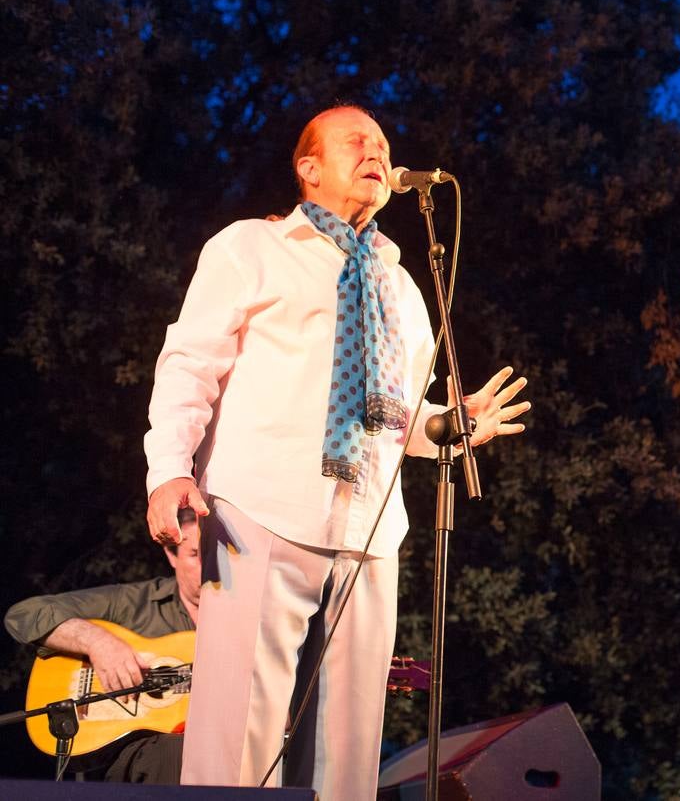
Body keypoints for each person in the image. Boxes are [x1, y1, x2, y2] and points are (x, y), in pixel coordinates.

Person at [143, 105, 528, 799]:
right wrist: (168, 470)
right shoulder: (250, 249)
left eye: (382, 143)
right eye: (356, 140)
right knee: (238, 739)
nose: (375, 150)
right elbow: (189, 364)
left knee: (351, 752)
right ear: (309, 168)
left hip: (370, 531)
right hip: (259, 512)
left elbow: (398, 418)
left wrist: (449, 424)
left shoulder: (404, 285)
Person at [4, 508, 202, 784]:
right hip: (141, 754)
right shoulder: (133, 603)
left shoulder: (249, 617)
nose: (209, 566)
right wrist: (98, 642)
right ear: (172, 554)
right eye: (195, 554)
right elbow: (24, 614)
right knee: (175, 751)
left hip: (217, 742)